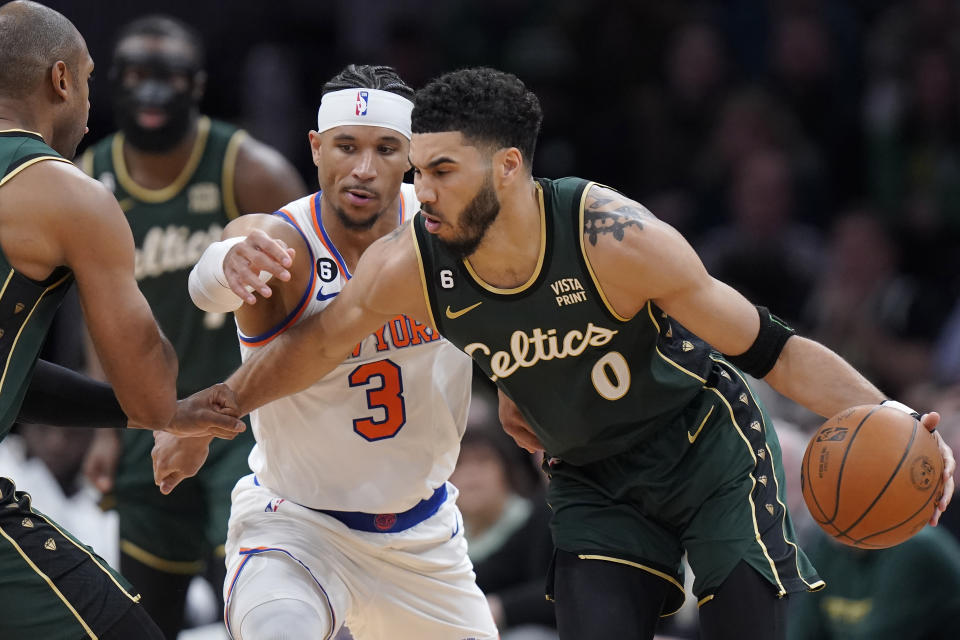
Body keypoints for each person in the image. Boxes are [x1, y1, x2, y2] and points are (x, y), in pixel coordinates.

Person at [166, 67, 956, 640]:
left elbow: (773, 350)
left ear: (507, 168)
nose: (420, 190)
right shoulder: (413, 260)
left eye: (438, 169)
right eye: (422, 169)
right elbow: (311, 348)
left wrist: (881, 412)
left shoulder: (614, 236)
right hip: (588, 476)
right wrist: (209, 415)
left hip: (700, 452)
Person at [154, 64, 498, 639]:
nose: (363, 169)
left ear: (411, 155)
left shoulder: (446, 226)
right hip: (296, 532)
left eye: (386, 149)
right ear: (316, 148)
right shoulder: (285, 240)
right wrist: (227, 263)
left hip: (423, 538)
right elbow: (210, 279)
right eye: (346, 146)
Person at [0, 2, 244, 638]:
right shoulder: (69, 191)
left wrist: (145, 415)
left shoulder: (239, 164)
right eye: (88, 81)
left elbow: (13, 378)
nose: (89, 103)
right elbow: (151, 388)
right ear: (60, 80)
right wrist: (159, 398)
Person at [76, 14, 307, 638]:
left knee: (252, 606)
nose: (152, 93)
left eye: (168, 78)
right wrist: (104, 424)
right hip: (146, 418)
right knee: (149, 612)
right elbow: (99, 313)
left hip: (242, 419)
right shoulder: (87, 178)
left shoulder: (247, 167)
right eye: (136, 76)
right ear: (111, 83)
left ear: (197, 86)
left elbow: (312, 302)